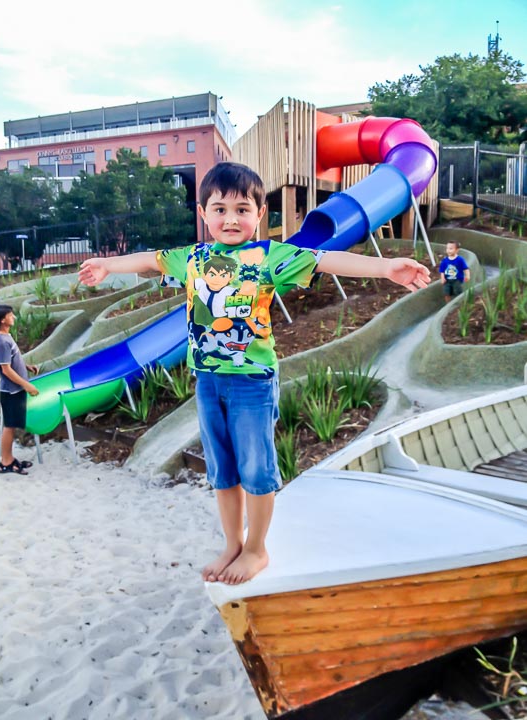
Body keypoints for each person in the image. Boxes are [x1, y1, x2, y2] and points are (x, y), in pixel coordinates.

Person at [78, 161, 431, 585]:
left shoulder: (268, 256)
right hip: (208, 380)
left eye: (242, 209)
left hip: (251, 383)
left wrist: (384, 268)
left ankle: (257, 549)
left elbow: (326, 260)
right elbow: (151, 262)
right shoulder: (193, 258)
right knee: (222, 472)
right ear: (203, 213)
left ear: (260, 215)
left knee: (256, 470)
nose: (231, 218)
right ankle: (232, 543)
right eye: (220, 209)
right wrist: (106, 265)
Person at [0, 304, 39, 475]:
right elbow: (6, 369)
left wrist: (26, 366)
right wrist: (27, 385)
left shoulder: (4, 337)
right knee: (9, 427)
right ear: (3, 320)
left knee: (12, 426)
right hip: (12, 391)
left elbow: (11, 362)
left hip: (14, 390)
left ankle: (9, 458)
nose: (14, 317)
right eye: (11, 315)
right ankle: (6, 463)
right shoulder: (1, 342)